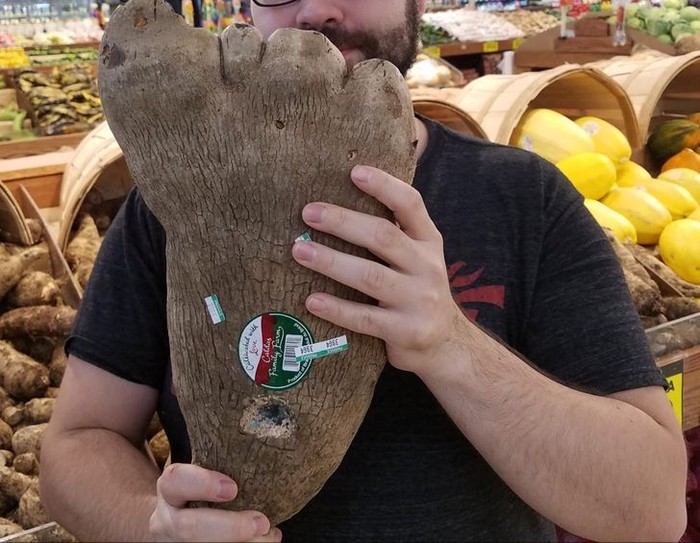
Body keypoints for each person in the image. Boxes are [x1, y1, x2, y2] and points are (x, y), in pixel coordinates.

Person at [40, 0, 688, 541]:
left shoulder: (523, 197)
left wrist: (450, 345)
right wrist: (150, 525)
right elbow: (76, 445)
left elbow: (653, 508)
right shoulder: (172, 200)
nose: (317, 9)